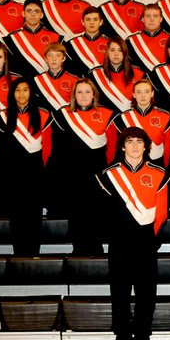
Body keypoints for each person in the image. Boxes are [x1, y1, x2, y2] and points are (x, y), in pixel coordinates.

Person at [95, 127, 170, 340]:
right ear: (122, 146)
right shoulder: (108, 175)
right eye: (130, 142)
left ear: (147, 147)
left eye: (140, 142)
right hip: (120, 245)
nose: (135, 146)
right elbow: (102, 214)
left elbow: (161, 213)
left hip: (146, 244)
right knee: (121, 297)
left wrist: (150, 240)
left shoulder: (159, 173)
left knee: (146, 298)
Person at [48, 79, 114, 255]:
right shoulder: (63, 115)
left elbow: (112, 148)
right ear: (74, 96)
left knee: (95, 214)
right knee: (76, 215)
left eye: (87, 92)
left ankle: (96, 249)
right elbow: (57, 150)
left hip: (97, 175)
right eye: (79, 92)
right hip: (71, 175)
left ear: (94, 95)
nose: (83, 96)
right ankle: (78, 249)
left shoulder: (107, 114)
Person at [0, 80, 52, 256]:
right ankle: (19, 256)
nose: (22, 94)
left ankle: (33, 255)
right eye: (17, 90)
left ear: (31, 93)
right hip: (12, 176)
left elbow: (47, 150)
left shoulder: (43, 116)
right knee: (16, 219)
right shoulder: (1, 117)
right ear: (12, 94)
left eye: (25, 90)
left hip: (35, 176)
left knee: (34, 218)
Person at [107, 79, 170, 168]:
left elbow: (168, 147)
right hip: (130, 165)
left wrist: (166, 168)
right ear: (134, 95)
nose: (143, 96)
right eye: (139, 92)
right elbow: (112, 147)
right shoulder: (121, 118)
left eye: (146, 91)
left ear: (152, 94)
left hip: (157, 164)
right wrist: (110, 168)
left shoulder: (165, 116)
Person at [3, 0, 63, 79]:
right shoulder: (11, 39)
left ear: (41, 15)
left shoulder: (55, 37)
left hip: (46, 87)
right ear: (23, 13)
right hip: (21, 87)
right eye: (29, 11)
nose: (33, 14)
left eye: (36, 11)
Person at [89, 36, 146, 113]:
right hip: (106, 120)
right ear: (107, 52)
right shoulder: (95, 75)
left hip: (131, 120)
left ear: (125, 52)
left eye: (120, 50)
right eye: (112, 50)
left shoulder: (139, 74)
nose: (116, 54)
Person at [126, 3, 170, 73]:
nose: (151, 19)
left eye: (155, 16)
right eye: (148, 16)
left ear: (161, 19)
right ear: (143, 19)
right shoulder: (131, 41)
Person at [64, 6, 109, 77]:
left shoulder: (111, 44)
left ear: (101, 22)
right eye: (88, 19)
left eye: (95, 19)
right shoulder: (72, 44)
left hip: (105, 85)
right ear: (82, 22)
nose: (91, 22)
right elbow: (69, 72)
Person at [33, 42, 79, 111]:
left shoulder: (74, 80)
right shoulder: (37, 80)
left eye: (58, 55)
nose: (54, 59)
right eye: (50, 55)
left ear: (63, 58)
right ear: (45, 59)